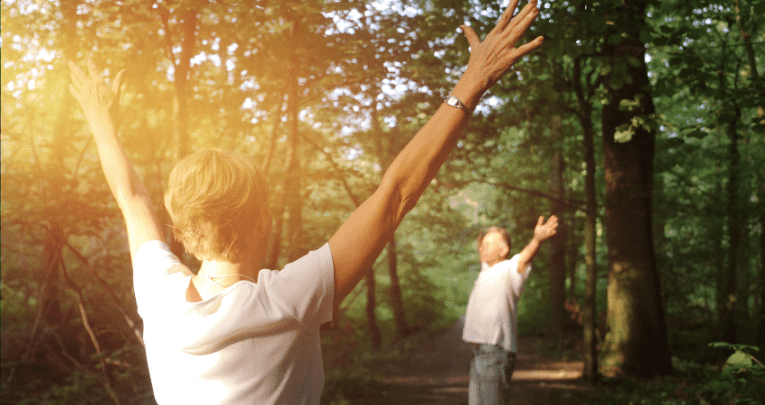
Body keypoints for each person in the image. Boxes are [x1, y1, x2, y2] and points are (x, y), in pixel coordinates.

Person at [67, 0, 543, 403]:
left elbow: (131, 197)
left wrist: (98, 117)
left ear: (183, 229)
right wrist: (472, 81)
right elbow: (396, 193)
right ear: (261, 221)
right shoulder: (289, 299)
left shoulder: (158, 294)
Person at [462, 216, 559, 405]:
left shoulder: (510, 270)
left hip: (495, 352)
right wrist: (482, 240)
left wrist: (536, 240)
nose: (483, 248)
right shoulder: (485, 271)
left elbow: (524, 257)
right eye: (482, 244)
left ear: (504, 250)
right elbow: (482, 251)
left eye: (489, 244)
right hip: (478, 353)